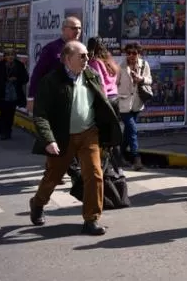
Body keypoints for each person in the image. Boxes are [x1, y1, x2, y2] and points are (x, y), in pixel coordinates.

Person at [28, 41, 122, 236]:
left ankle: (91, 219)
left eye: (87, 55)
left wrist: (108, 132)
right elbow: (41, 114)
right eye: (82, 56)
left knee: (95, 174)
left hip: (89, 133)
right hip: (63, 137)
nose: (87, 59)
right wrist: (49, 140)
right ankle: (38, 203)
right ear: (68, 59)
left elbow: (101, 103)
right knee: (53, 176)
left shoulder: (91, 75)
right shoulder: (51, 80)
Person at [27, 16, 82, 113]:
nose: (77, 31)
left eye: (79, 28)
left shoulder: (81, 49)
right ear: (63, 29)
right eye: (73, 28)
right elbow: (37, 74)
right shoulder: (51, 48)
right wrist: (31, 98)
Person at [116, 42, 152, 171]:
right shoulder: (120, 66)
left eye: (134, 53)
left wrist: (141, 79)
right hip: (124, 103)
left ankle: (118, 156)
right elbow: (115, 83)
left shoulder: (144, 64)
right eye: (128, 53)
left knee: (128, 132)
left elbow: (150, 80)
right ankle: (136, 159)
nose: (131, 55)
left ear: (139, 53)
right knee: (133, 130)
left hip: (137, 103)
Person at [0, 49, 28, 140]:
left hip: (14, 94)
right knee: (3, 113)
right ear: (5, 56)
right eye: (8, 55)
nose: (11, 57)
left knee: (11, 114)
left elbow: (25, 78)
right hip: (2, 94)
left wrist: (16, 79)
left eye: (12, 55)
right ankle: (3, 132)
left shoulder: (19, 65)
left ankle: (8, 131)